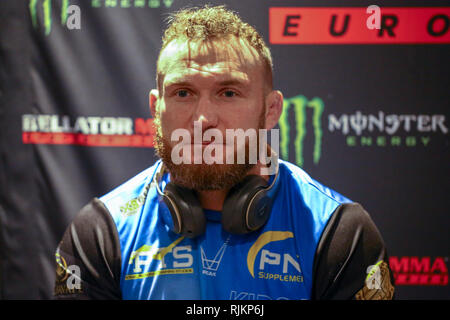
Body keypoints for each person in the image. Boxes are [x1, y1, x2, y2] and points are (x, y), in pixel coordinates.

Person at [53, 5, 395, 300]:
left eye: (228, 93)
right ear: (157, 109)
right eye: (183, 93)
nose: (203, 120)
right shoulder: (102, 230)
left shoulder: (338, 231)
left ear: (271, 110)